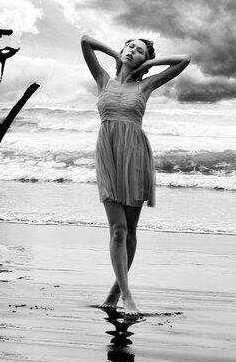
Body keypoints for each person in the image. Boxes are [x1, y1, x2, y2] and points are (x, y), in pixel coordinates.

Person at [80, 35, 190, 316]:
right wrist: (116, 54)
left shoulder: (146, 85)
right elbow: (85, 41)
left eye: (139, 51)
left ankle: (115, 291)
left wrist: (150, 62)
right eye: (130, 46)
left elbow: (184, 60)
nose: (132, 51)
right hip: (107, 154)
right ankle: (127, 295)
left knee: (129, 229)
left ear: (145, 61)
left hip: (135, 156)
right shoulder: (103, 80)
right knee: (117, 230)